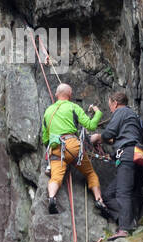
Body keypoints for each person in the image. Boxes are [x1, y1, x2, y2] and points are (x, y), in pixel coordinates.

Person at [39, 84, 105, 215]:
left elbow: (45, 138)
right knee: (90, 173)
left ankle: (52, 198)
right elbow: (91, 125)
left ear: (57, 94)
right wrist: (98, 112)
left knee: (56, 177)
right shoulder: (73, 107)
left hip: (55, 148)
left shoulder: (48, 111)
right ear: (70, 95)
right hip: (72, 146)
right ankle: (99, 200)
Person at [91, 90, 143, 238]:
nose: (110, 109)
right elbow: (127, 136)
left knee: (123, 193)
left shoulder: (120, 112)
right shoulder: (133, 116)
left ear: (115, 103)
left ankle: (125, 228)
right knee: (108, 195)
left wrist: (98, 137)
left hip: (127, 155)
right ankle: (128, 220)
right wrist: (113, 153)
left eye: (110, 105)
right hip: (135, 154)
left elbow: (110, 132)